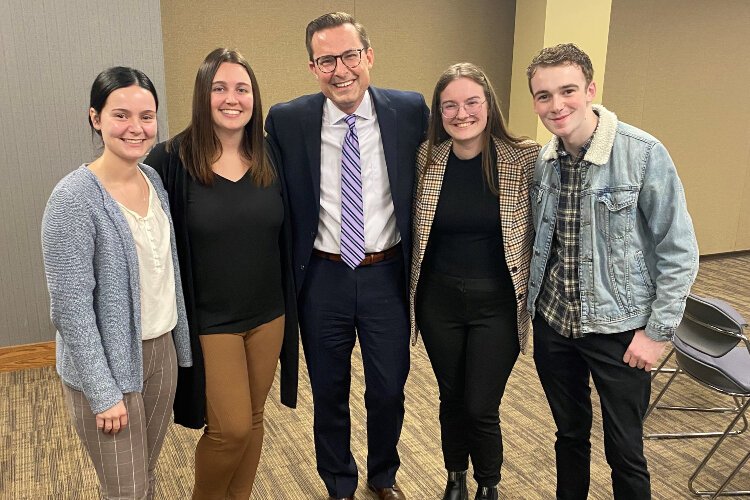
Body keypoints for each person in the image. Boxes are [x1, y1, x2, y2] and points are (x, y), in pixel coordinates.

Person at [265, 12, 429, 500]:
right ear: (313, 67)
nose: (341, 70)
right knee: (328, 390)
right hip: (323, 277)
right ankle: (339, 482)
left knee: (388, 388)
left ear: (369, 56)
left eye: (349, 56)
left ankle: (383, 474)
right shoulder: (288, 120)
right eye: (326, 60)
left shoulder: (410, 110)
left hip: (387, 274)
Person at [525, 43, 699, 499]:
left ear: (591, 89)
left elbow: (678, 250)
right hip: (556, 325)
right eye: (543, 95)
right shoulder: (543, 163)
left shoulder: (641, 153)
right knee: (569, 436)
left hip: (621, 330)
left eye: (567, 91)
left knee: (625, 449)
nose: (556, 105)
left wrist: (658, 333)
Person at [144, 48, 298, 499]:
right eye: (220, 88)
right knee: (228, 429)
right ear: (202, 95)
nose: (233, 99)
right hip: (209, 322)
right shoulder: (170, 160)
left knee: (252, 420)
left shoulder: (270, 154)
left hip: (269, 313)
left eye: (242, 89)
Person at [41, 67, 192, 499]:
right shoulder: (72, 199)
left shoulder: (154, 181)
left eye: (147, 116)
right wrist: (103, 391)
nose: (136, 128)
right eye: (121, 115)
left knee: (143, 473)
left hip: (159, 351)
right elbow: (70, 309)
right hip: (107, 363)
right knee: (127, 489)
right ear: (95, 118)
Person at [409, 63, 540, 500]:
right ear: (438, 112)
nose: (461, 113)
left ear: (489, 106)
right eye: (449, 105)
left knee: (480, 404)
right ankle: (455, 477)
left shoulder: (523, 158)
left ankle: (489, 483)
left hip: (497, 304)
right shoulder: (427, 158)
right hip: (438, 302)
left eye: (471, 102)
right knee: (451, 396)